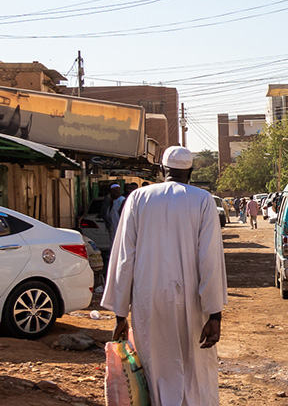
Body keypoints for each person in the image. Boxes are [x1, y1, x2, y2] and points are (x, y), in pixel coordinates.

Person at [102, 146, 227, 406]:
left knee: (155, 367)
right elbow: (210, 259)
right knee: (195, 368)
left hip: (149, 299)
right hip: (192, 302)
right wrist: (214, 313)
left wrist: (120, 314)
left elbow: (125, 257)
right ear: (190, 172)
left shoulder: (138, 198)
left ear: (161, 170)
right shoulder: (203, 200)